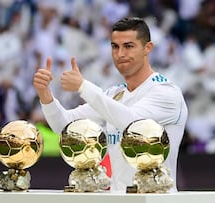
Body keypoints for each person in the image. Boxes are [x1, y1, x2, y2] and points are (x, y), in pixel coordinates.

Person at [33, 17, 188, 193]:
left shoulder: (166, 92)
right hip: (117, 197)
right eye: (115, 46)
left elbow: (133, 124)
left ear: (148, 48)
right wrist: (45, 95)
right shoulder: (114, 96)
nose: (120, 54)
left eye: (128, 46)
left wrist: (84, 87)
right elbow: (64, 126)